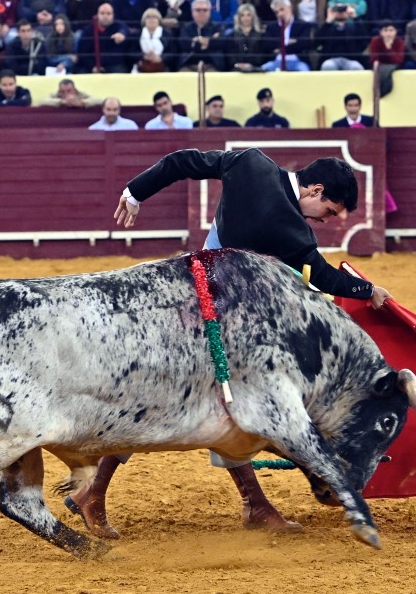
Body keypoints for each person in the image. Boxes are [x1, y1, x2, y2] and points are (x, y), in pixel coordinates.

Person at [63, 148, 392, 539]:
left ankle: (254, 503)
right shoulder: (294, 231)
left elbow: (181, 162)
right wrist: (368, 289)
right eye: (330, 211)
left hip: (185, 291)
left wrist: (136, 192)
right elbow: (322, 277)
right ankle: (95, 491)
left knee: (223, 401)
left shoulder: (252, 163)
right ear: (315, 190)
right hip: (214, 320)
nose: (327, 220)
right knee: (191, 397)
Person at [74, 2, 130, 73]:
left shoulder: (118, 26)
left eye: (108, 13)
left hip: (113, 65)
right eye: (102, 13)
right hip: (92, 65)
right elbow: (82, 52)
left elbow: (124, 28)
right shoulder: (88, 30)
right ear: (97, 15)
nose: (105, 16)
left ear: (113, 15)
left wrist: (122, 34)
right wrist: (92, 67)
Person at [261, 0, 312, 71]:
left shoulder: (302, 25)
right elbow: (267, 45)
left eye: (282, 9)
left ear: (290, 8)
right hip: (276, 61)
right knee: (262, 70)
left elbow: (303, 44)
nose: (280, 14)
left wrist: (279, 49)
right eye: (276, 12)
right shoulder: (271, 27)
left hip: (297, 61)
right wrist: (287, 42)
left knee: (304, 70)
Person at [177, 0, 225, 71]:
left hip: (212, 64)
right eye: (198, 10)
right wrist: (207, 42)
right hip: (189, 64)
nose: (201, 13)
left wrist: (195, 41)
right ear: (192, 12)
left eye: (205, 10)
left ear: (210, 12)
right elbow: (184, 44)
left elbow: (219, 43)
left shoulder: (218, 27)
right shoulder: (185, 27)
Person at [316, 2, 367, 71]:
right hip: (331, 59)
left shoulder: (354, 27)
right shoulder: (327, 27)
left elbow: (364, 40)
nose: (340, 12)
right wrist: (328, 21)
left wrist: (355, 17)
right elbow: (317, 42)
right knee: (328, 66)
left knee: (356, 67)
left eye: (343, 9)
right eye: (337, 9)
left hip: (351, 60)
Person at [365, 20, 404, 96]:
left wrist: (388, 48)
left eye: (391, 30)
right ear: (380, 32)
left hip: (394, 67)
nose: (388, 33)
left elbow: (398, 61)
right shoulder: (375, 41)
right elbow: (374, 59)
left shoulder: (400, 42)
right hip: (380, 67)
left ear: (396, 31)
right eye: (385, 30)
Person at [226, 2, 265, 71]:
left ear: (253, 17)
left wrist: (251, 65)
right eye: (242, 15)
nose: (245, 18)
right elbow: (230, 55)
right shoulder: (232, 35)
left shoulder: (260, 35)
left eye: (248, 15)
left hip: (255, 68)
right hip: (236, 69)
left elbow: (261, 54)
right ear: (239, 18)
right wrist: (237, 64)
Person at [136, 7, 174, 72]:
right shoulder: (138, 34)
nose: (151, 20)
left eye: (154, 17)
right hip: (142, 66)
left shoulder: (167, 34)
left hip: (163, 66)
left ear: (159, 20)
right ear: (144, 20)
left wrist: (161, 58)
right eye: (148, 17)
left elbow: (173, 52)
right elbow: (131, 51)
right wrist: (144, 56)